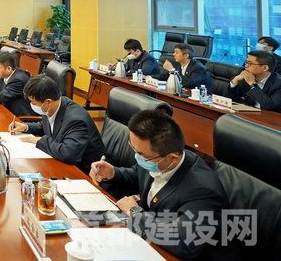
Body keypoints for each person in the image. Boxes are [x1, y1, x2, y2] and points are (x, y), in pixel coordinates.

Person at [89, 110, 237, 260]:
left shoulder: (203, 191)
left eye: (141, 155)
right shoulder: (157, 158)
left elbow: (183, 241)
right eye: (134, 149)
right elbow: (138, 174)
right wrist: (113, 172)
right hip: (148, 242)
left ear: (172, 158)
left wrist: (135, 212)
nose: (137, 157)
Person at [10, 75, 105, 173]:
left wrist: (40, 141)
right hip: (61, 162)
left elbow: (69, 154)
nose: (31, 105)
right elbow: (47, 126)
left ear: (48, 102)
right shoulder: (54, 105)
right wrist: (26, 127)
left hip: (85, 172)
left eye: (33, 102)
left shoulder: (75, 120)